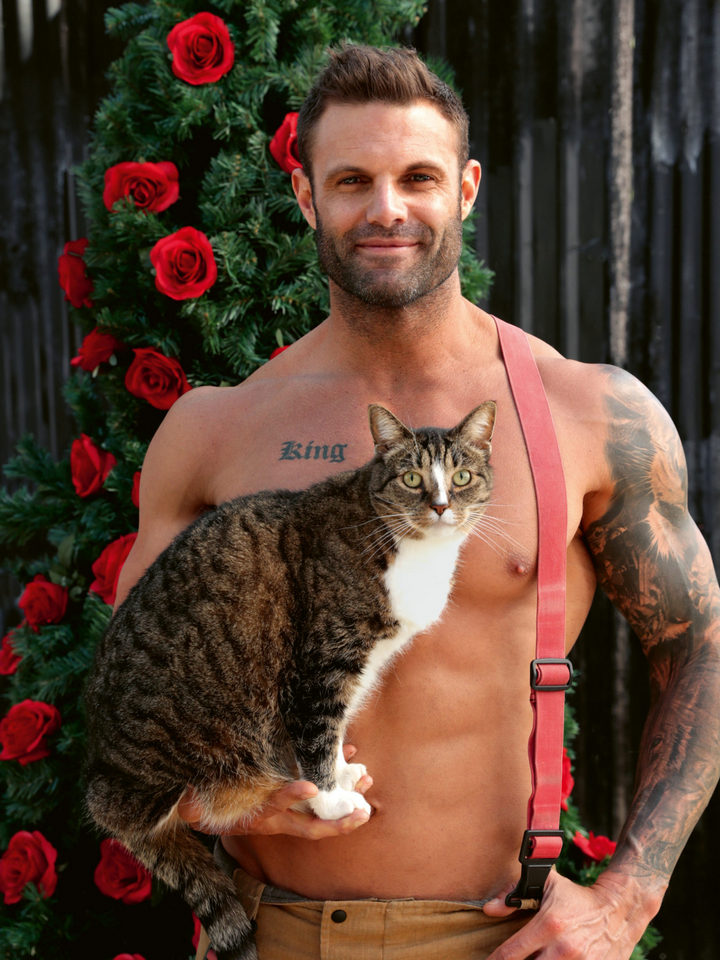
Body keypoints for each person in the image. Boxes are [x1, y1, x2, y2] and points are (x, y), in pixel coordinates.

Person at [114, 44, 720, 960]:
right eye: (352, 180)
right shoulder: (215, 430)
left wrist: (628, 897)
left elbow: (700, 649)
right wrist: (219, 801)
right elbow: (132, 716)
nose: (387, 209)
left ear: (466, 190)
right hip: (268, 934)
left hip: (498, 936)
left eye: (419, 178)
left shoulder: (588, 412)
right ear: (305, 196)